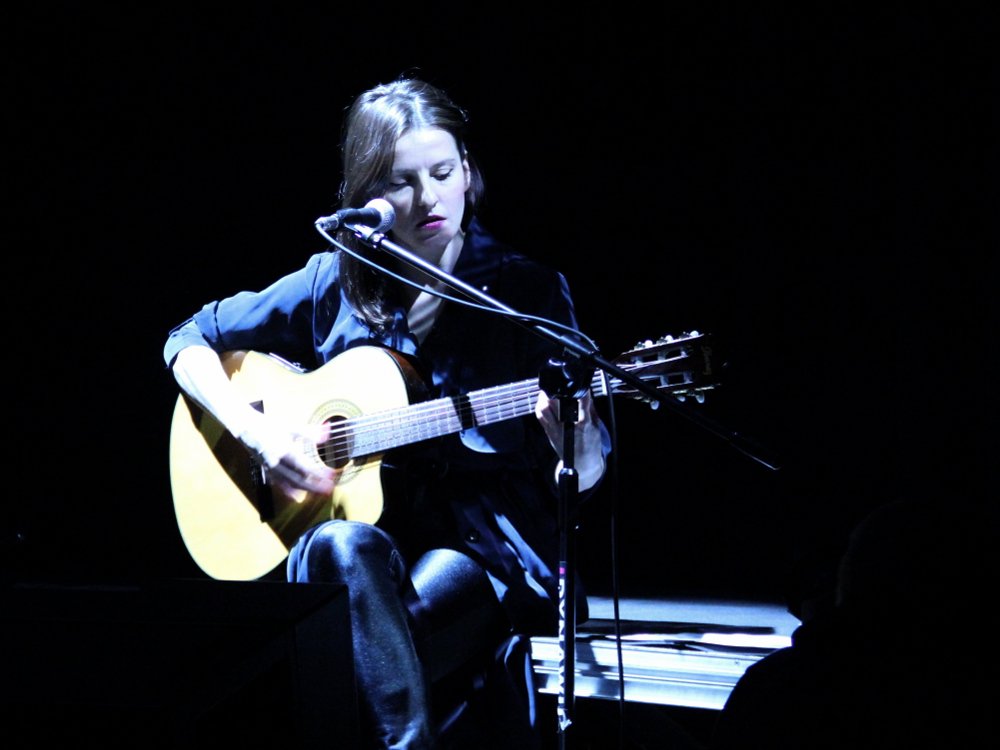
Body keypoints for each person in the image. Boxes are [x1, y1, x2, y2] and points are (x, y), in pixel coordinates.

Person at [163, 75, 610, 749]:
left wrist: (578, 440)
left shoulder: (525, 293)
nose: (429, 199)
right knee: (337, 547)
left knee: (342, 655)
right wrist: (256, 434)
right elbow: (187, 339)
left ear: (468, 172)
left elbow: (588, 475)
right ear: (367, 196)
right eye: (402, 182)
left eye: (443, 173)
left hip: (476, 555)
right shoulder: (332, 279)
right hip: (362, 554)